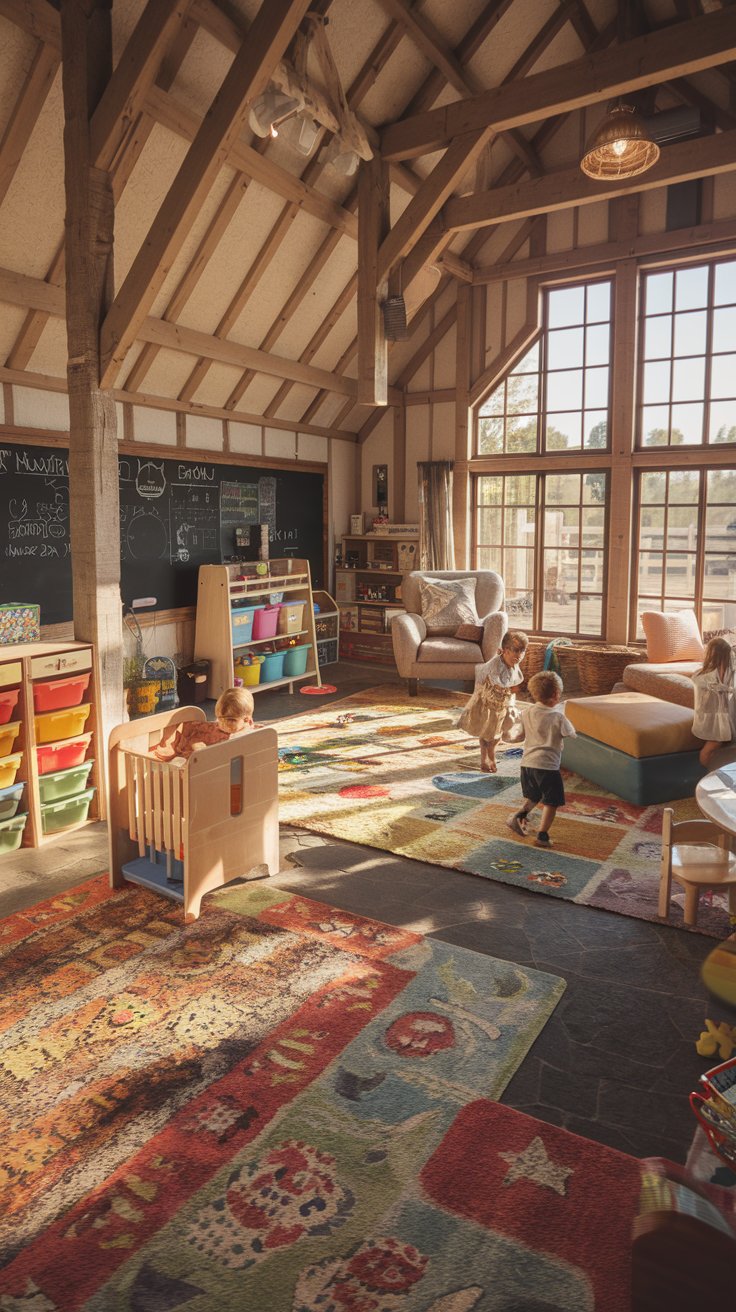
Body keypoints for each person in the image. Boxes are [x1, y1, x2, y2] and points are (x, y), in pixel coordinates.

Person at [506, 669, 576, 848]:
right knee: (552, 802)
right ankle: (542, 836)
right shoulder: (558, 716)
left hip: (527, 764)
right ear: (556, 694)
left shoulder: (527, 712)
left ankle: (518, 816)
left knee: (535, 795)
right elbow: (571, 734)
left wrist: (507, 737)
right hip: (547, 766)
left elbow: (520, 736)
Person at [458, 630, 528, 772]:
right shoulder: (495, 665)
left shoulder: (514, 661)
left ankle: (492, 748)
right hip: (488, 701)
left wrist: (512, 691)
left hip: (504, 701)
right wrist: (510, 689)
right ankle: (486, 758)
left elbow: (513, 679)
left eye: (522, 651)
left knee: (503, 727)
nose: (519, 655)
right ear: (505, 651)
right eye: (516, 651)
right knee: (487, 731)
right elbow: (497, 683)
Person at [152, 686, 254, 764]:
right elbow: (193, 728)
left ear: (246, 720)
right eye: (219, 719)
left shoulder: (244, 736)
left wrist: (203, 751)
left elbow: (221, 757)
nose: (223, 724)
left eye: (231, 720)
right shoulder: (217, 727)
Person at [691, 636, 736, 767]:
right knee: (712, 746)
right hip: (713, 719)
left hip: (727, 717)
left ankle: (715, 771)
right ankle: (707, 772)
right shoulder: (704, 676)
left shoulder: (731, 674)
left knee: (717, 747)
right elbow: (699, 682)